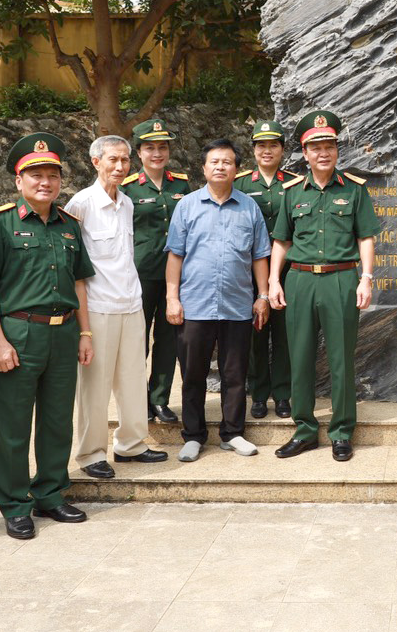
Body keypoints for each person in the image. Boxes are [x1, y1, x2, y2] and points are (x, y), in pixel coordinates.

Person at [0, 133, 95, 540]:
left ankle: (50, 493)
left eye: (52, 175)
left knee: (58, 419)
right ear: (18, 180)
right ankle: (13, 503)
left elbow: (80, 283)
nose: (45, 182)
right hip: (19, 332)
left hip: (63, 334)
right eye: (35, 175)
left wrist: (86, 332)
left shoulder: (69, 225)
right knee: (12, 424)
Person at [269, 110, 379, 461]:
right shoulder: (291, 193)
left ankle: (342, 431)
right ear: (304, 152)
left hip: (341, 279)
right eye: (315, 147)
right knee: (298, 357)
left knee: (341, 359)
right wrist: (273, 280)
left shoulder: (355, 190)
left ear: (336, 150)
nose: (323, 153)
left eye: (329, 145)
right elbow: (281, 241)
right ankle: (304, 430)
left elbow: (366, 238)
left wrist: (366, 278)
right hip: (299, 279)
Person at [64, 136, 169, 480]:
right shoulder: (81, 204)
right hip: (98, 306)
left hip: (130, 302)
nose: (120, 167)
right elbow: (72, 264)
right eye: (113, 160)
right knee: (95, 385)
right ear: (96, 162)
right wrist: (81, 325)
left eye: (125, 160)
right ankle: (92, 453)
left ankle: (132, 443)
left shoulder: (126, 202)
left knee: (133, 378)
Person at [165, 139, 271, 463]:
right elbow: (175, 255)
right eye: (215, 161)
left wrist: (263, 295)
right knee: (193, 373)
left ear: (237, 169)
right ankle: (194, 436)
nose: (221, 166)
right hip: (195, 303)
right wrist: (172, 298)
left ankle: (233, 432)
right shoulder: (187, 206)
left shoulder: (249, 207)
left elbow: (259, 256)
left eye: (227, 161)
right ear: (204, 168)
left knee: (235, 373)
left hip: (238, 304)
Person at [120, 118, 189, 424]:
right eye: (150, 148)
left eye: (162, 147)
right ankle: (136, 402)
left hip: (176, 275)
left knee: (168, 338)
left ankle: (159, 398)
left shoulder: (181, 185)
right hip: (139, 273)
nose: (157, 153)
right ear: (139, 152)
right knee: (136, 341)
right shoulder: (126, 189)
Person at [234, 119, 299, 420]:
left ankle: (283, 394)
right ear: (254, 150)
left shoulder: (296, 184)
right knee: (256, 334)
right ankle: (259, 395)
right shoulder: (242, 185)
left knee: (286, 335)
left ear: (283, 149)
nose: (267, 150)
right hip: (251, 272)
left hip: (290, 271)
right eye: (261, 145)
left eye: (273, 144)